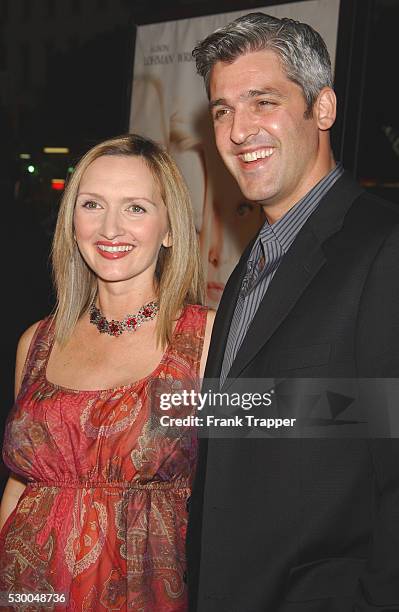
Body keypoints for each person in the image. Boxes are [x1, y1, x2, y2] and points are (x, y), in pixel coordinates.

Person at [187, 12, 399, 612]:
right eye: (223, 110)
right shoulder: (249, 270)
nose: (237, 129)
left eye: (262, 101)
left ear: (322, 108)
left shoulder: (385, 248)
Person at [0, 134, 215, 611]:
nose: (110, 228)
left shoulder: (205, 342)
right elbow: (20, 485)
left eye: (136, 208)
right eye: (92, 204)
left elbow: (256, 483)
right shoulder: (35, 344)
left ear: (170, 229)